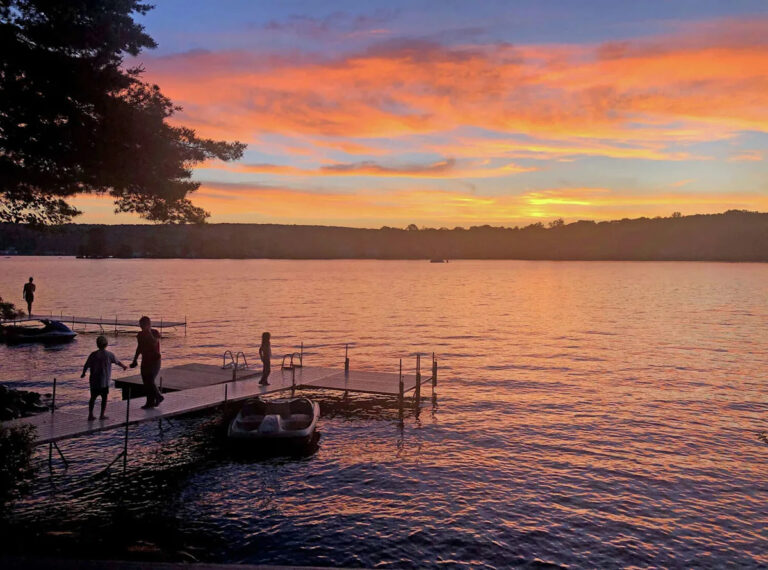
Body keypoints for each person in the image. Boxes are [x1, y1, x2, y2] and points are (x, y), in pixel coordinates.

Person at [81, 335, 127, 421]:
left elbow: (86, 365)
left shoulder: (93, 354)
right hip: (104, 381)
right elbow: (117, 362)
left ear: (97, 344)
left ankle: (90, 415)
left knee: (93, 398)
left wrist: (83, 373)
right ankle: (102, 415)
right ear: (106, 344)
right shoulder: (109, 355)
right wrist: (124, 366)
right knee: (104, 398)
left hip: (94, 381)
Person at [130, 316, 164, 409]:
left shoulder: (155, 332)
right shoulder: (140, 335)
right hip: (145, 359)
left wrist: (148, 333)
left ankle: (158, 396)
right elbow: (139, 347)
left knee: (150, 379)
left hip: (155, 360)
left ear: (148, 325)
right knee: (146, 381)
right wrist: (135, 360)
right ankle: (150, 402)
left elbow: (154, 343)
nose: (141, 327)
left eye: (143, 325)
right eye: (140, 325)